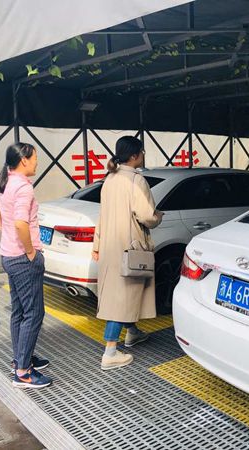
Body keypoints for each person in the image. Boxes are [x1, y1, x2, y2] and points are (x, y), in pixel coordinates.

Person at [92, 136, 163, 370]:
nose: (143, 156)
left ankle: (132, 332)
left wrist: (96, 245)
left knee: (125, 293)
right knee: (121, 298)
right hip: (130, 247)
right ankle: (110, 352)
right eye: (141, 152)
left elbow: (102, 215)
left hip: (110, 246)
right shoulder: (136, 180)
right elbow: (147, 216)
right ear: (134, 156)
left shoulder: (110, 179)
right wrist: (158, 216)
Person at [0, 143, 51, 389]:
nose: (36, 162)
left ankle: (21, 359)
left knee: (20, 311)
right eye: (34, 158)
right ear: (24, 160)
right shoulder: (23, 187)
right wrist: (30, 251)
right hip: (23, 259)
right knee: (34, 313)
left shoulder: (6, 183)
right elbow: (21, 223)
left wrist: (7, 233)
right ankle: (23, 372)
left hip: (8, 255)